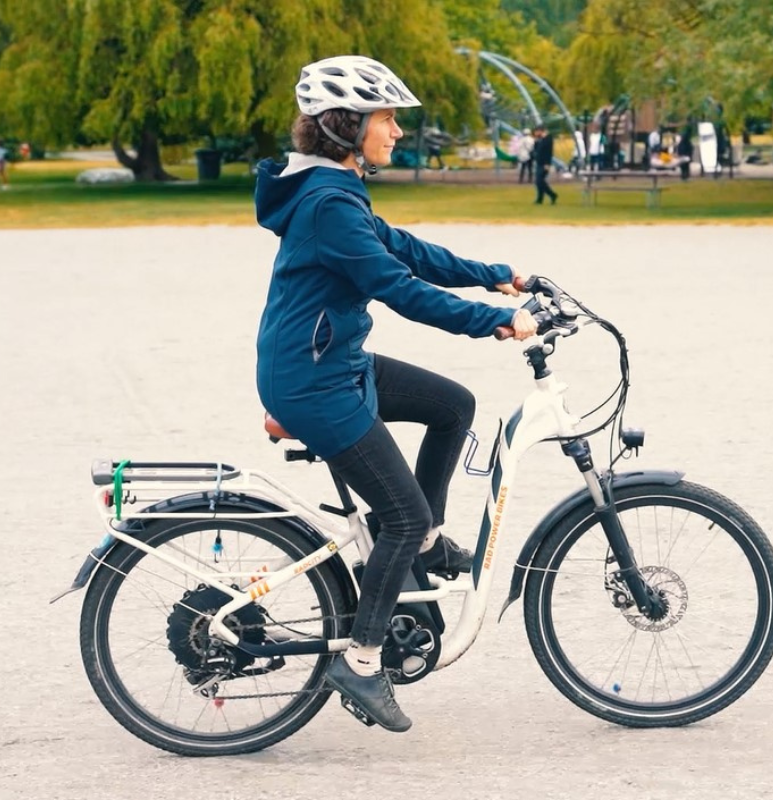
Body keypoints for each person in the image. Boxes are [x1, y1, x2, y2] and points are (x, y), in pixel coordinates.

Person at [253, 55, 538, 733]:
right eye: (386, 119)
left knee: (452, 407)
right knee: (400, 516)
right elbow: (397, 288)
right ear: (345, 125)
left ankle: (427, 541)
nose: (395, 132)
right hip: (314, 380)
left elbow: (404, 250)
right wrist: (494, 321)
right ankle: (361, 659)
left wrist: (495, 276)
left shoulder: (337, 190)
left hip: (332, 361)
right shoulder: (327, 203)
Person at [531, 124, 557, 205]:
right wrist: (536, 141)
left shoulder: (548, 139)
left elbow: (548, 152)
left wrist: (547, 163)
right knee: (539, 182)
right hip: (539, 162)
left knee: (539, 181)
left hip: (544, 163)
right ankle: (540, 198)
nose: (535, 134)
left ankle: (552, 194)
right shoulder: (541, 140)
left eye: (536, 132)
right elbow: (536, 150)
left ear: (540, 131)